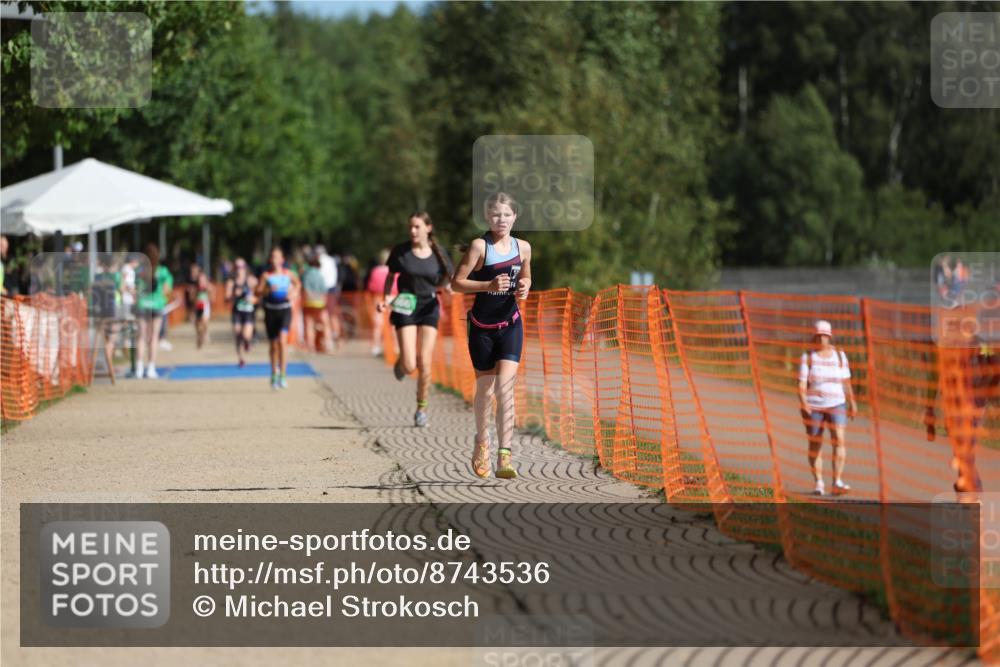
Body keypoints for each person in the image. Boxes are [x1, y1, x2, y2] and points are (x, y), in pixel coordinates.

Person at [451, 192, 532, 479]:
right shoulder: (479, 247)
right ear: (488, 217)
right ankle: (482, 442)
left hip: (510, 325)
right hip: (482, 330)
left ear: (515, 217)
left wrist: (525, 286)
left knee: (504, 389)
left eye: (506, 214)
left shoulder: (523, 247)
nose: (501, 219)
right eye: (496, 215)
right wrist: (487, 285)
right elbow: (457, 283)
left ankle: (504, 455)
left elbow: (526, 276)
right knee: (485, 391)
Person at [376, 212, 454, 428]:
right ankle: (402, 365)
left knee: (424, 360)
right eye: (410, 227)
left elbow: (448, 278)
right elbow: (390, 277)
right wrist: (385, 299)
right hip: (405, 303)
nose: (412, 231)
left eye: (417, 227)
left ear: (428, 228)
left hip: (429, 305)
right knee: (410, 365)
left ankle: (421, 408)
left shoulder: (439, 253)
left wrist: (447, 288)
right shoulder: (401, 252)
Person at [798, 320, 857, 495]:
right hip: (814, 407)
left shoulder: (839, 356)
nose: (822, 339)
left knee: (839, 439)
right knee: (815, 442)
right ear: (813, 337)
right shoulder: (808, 357)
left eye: (825, 336)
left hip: (837, 403)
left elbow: (846, 381)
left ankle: (837, 481)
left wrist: (852, 402)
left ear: (829, 337)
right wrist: (803, 402)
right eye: (818, 336)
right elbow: (801, 385)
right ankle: (819, 483)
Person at [256, 246, 300, 389]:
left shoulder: (289, 274)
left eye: (278, 257)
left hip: (285, 310)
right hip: (270, 311)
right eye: (273, 257)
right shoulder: (266, 276)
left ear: (282, 260)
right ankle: (274, 372)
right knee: (274, 345)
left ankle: (283, 374)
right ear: (270, 260)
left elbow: (298, 284)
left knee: (282, 341)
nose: (275, 260)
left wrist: (293, 293)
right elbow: (258, 291)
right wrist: (267, 289)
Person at [135, 243, 173, 379]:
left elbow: (135, 288)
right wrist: (162, 297)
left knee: (141, 336)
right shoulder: (162, 271)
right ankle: (150, 367)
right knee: (154, 336)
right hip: (156, 305)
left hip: (142, 305)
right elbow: (167, 289)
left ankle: (139, 368)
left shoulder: (140, 270)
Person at [225, 257, 258, 368]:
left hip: (248, 311)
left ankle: (248, 342)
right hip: (237, 312)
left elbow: (259, 295)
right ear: (234, 268)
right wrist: (235, 295)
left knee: (246, 335)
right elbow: (227, 299)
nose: (240, 269)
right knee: (238, 334)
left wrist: (253, 299)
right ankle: (241, 358)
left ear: (245, 268)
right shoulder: (231, 282)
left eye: (242, 266)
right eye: (237, 267)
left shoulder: (251, 280)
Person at [302, 249, 334, 353]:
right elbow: (324, 290)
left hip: (308, 301)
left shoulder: (306, 274)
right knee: (325, 324)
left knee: (309, 324)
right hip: (320, 302)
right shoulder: (320, 275)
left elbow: (305, 288)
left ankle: (310, 346)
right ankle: (328, 345)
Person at [365, 249, 394, 357]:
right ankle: (395, 347)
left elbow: (371, 286)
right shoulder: (394, 271)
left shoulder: (376, 271)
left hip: (378, 298)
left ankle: (376, 346)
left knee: (378, 323)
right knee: (394, 323)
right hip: (392, 297)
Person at [316, 245, 342, 348]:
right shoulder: (331, 260)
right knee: (332, 315)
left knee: (324, 315)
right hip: (332, 289)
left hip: (324, 290)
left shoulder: (320, 261)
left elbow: (321, 277)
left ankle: (328, 340)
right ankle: (336, 337)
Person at [193, 271, 212, 349]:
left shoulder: (208, 287)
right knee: (198, 324)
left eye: (203, 280)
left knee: (205, 321)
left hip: (205, 306)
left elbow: (212, 297)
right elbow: (193, 299)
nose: (201, 282)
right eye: (200, 280)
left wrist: (208, 291)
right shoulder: (195, 288)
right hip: (197, 307)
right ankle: (199, 336)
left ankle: (205, 333)